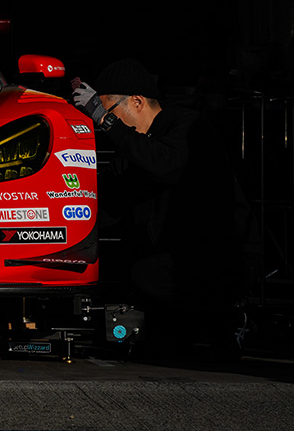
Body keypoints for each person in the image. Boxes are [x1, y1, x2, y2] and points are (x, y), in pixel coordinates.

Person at [72, 58, 260, 357]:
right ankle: (186, 328)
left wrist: (108, 122)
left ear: (136, 102)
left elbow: (165, 165)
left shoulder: (189, 125)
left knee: (148, 273)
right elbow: (108, 200)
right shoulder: (134, 149)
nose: (104, 124)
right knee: (156, 343)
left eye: (109, 112)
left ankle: (232, 314)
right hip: (177, 257)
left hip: (224, 257)